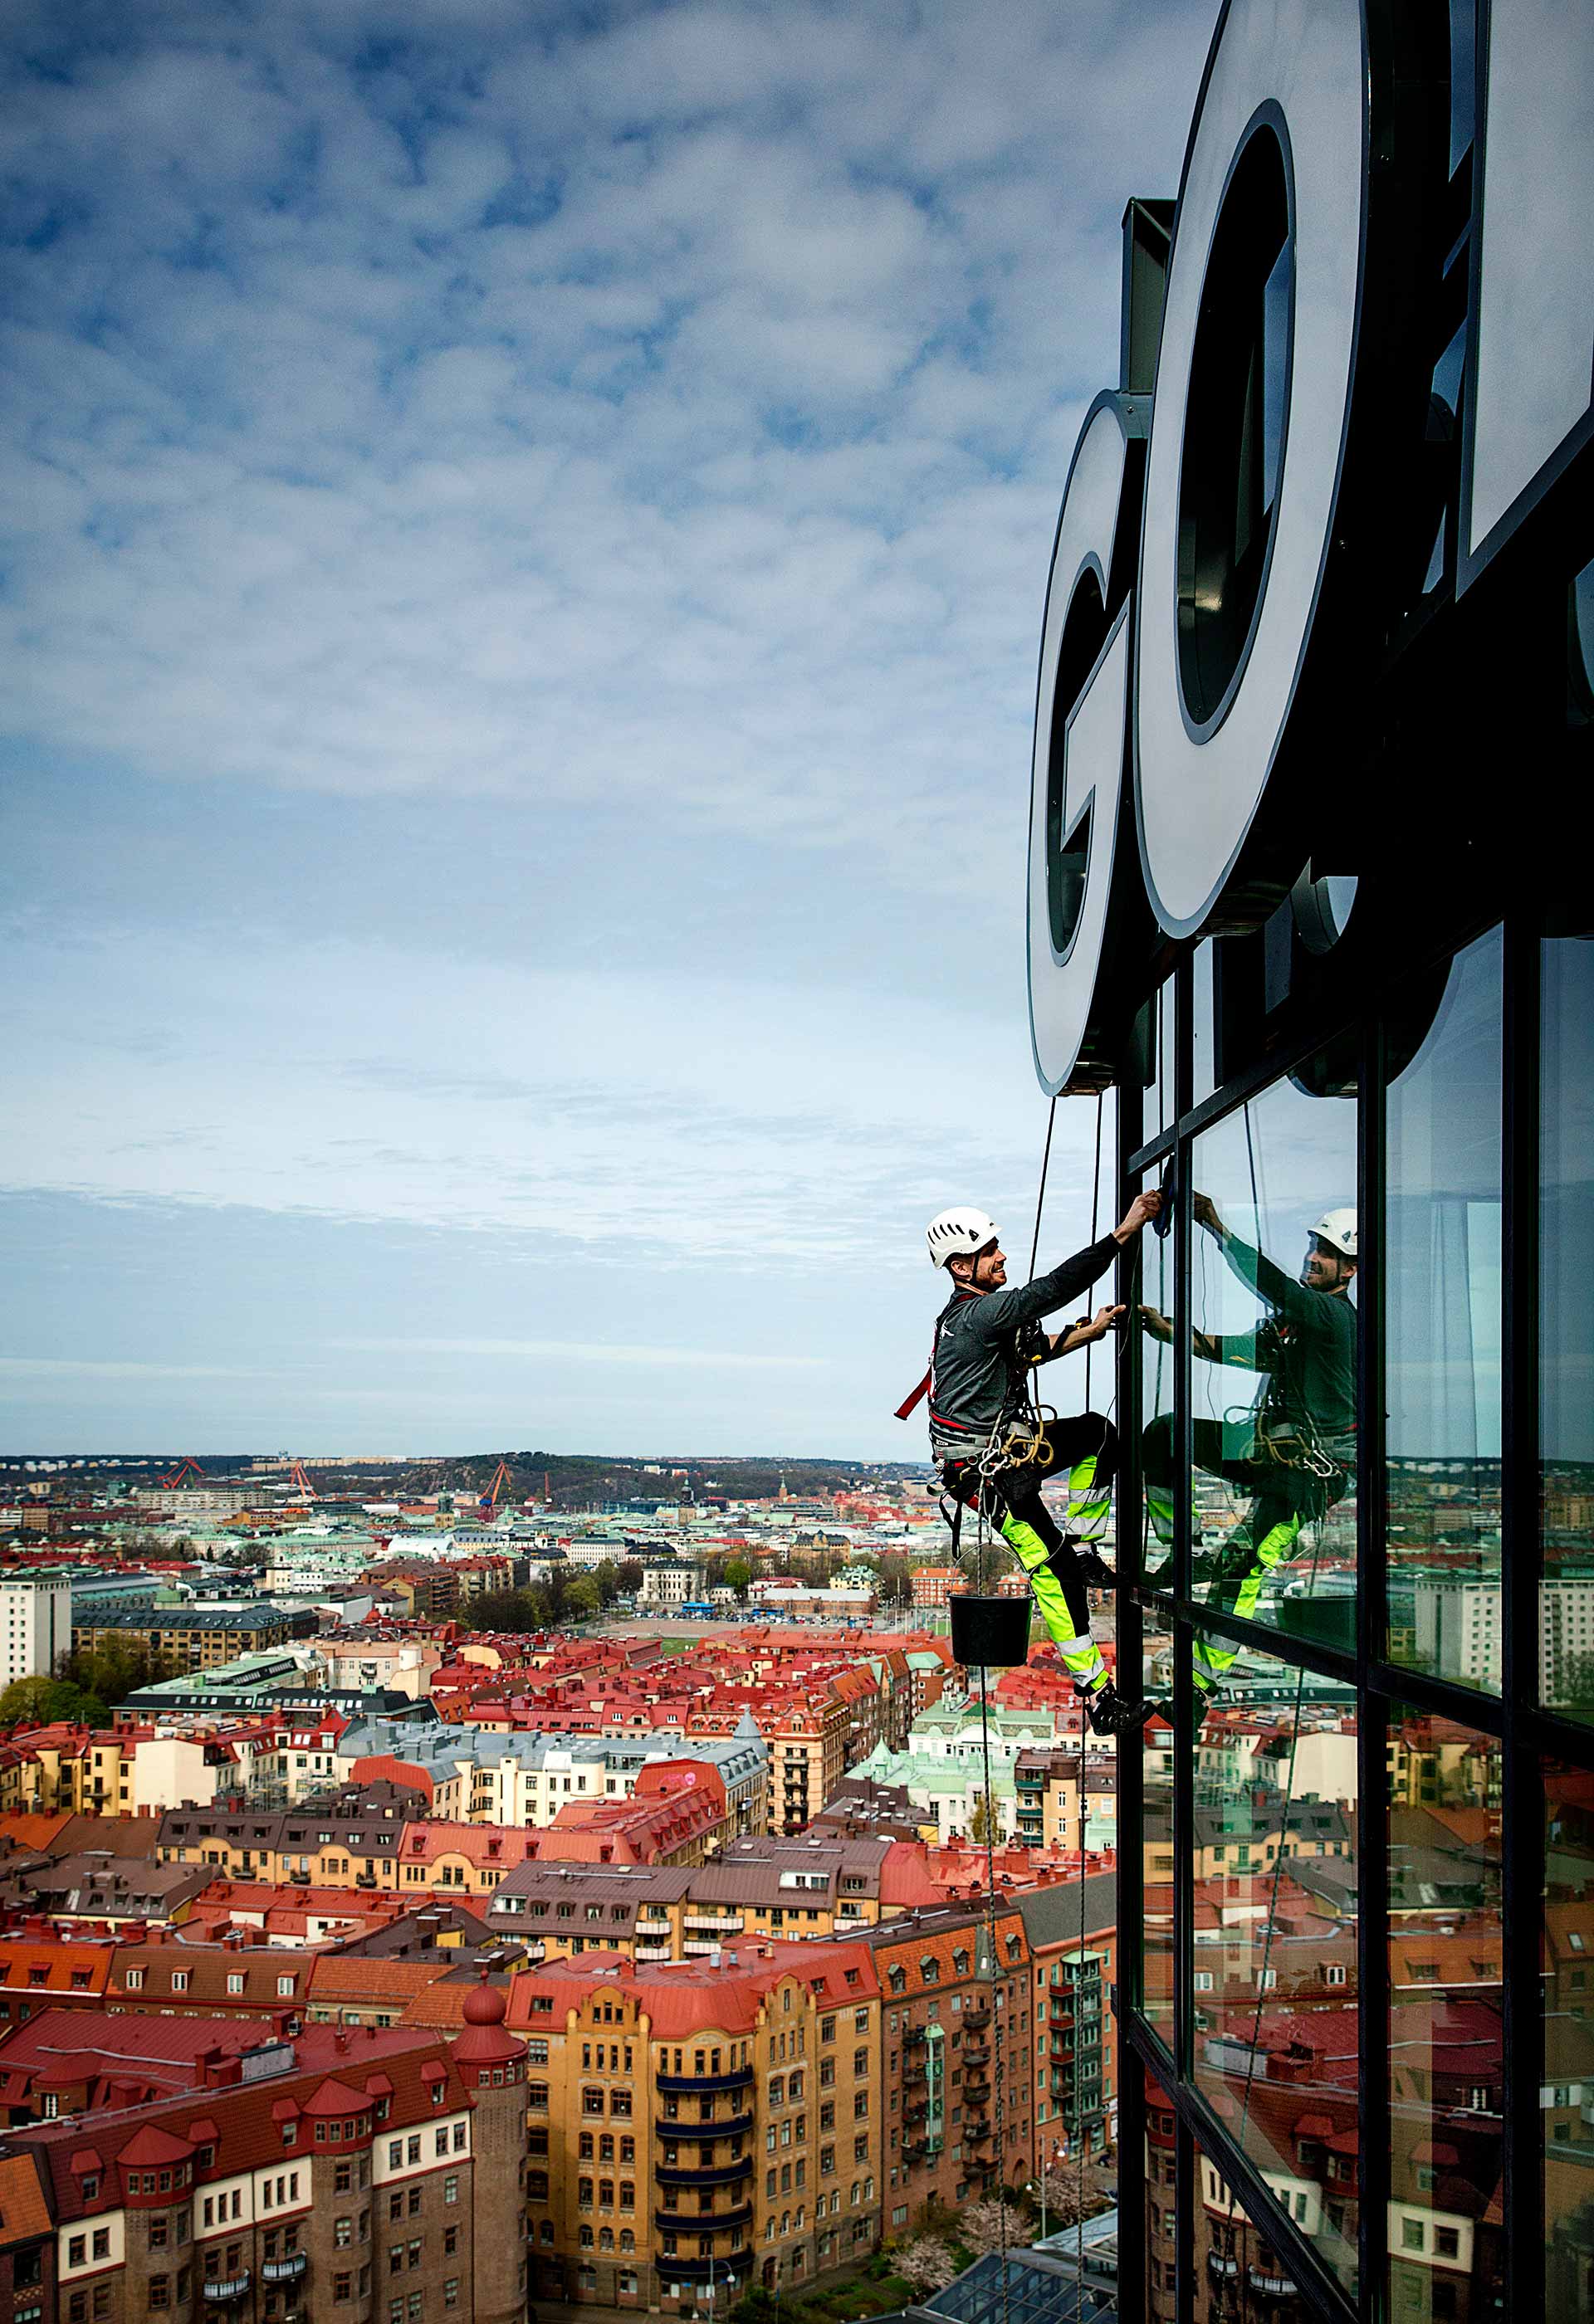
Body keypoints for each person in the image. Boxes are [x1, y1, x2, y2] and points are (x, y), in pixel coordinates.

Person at [923, 1189, 1161, 1736]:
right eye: (990, 1251)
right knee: (1051, 1573)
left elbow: (1030, 1350)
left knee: (1099, 1435)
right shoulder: (979, 1312)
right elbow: (1052, 1290)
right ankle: (1097, 1696)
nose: (1002, 1257)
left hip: (1009, 1452)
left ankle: (1081, 1544)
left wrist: (1091, 1332)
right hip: (988, 1475)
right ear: (962, 1267)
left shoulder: (977, 1319)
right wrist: (1123, 1234)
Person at [1140, 1201, 1357, 1724]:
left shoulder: (1331, 1318)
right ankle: (1184, 1549)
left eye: (1328, 1253)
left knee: (1243, 1566)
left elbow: (1273, 1286)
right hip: (1270, 1453)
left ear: (1349, 1270)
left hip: (1309, 1478)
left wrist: (1218, 1228)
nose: (1315, 1257)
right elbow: (1232, 1350)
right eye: (1315, 1246)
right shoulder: (1297, 1327)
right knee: (1165, 1435)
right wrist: (1166, 1329)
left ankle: (1197, 1689)